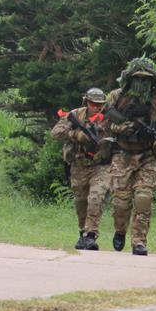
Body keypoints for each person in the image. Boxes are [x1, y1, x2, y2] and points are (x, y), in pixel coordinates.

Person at [101, 57, 156, 256]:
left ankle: (139, 241)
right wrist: (122, 128)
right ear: (130, 79)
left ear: (153, 81)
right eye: (137, 78)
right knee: (121, 202)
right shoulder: (116, 97)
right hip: (122, 154)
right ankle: (120, 230)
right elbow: (104, 124)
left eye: (146, 79)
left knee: (144, 198)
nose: (141, 83)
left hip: (147, 156)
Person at [50, 87, 111, 250]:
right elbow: (56, 133)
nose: (97, 107)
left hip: (101, 165)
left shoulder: (108, 118)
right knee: (81, 201)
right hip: (79, 165)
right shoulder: (76, 115)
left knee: (96, 198)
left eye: (100, 104)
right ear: (86, 102)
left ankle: (91, 235)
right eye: (93, 104)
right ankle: (83, 233)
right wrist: (75, 135)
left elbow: (120, 134)